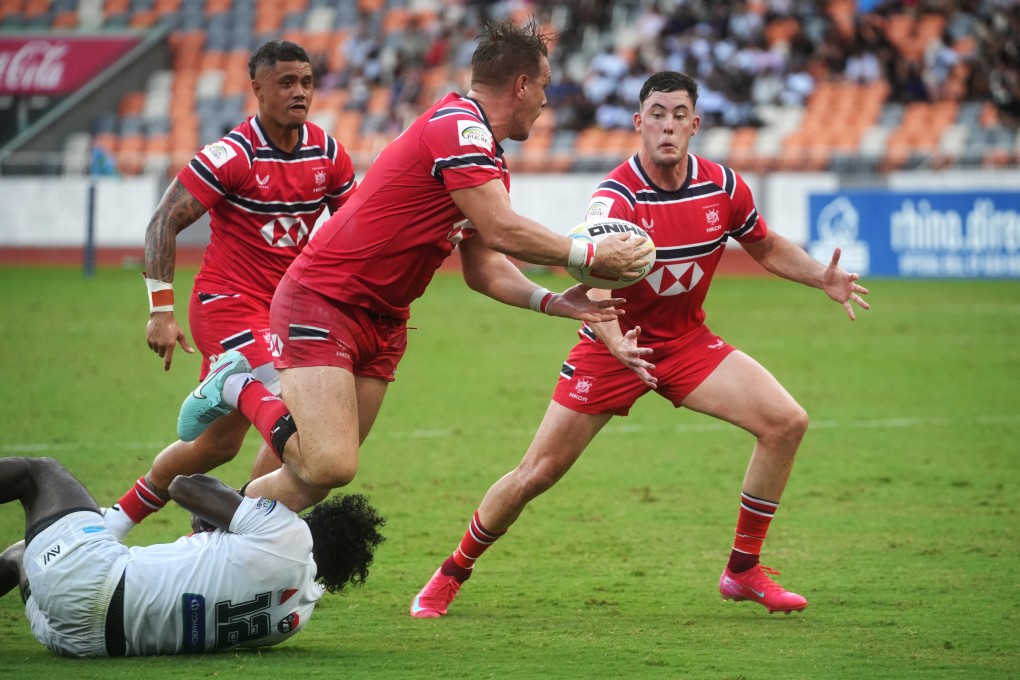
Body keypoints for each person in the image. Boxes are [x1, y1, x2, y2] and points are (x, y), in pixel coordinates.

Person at [409, 71, 871, 618]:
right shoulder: (615, 197)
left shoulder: (723, 187)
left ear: (695, 125)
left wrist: (823, 276)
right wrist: (613, 340)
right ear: (638, 123)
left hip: (685, 344)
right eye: (657, 113)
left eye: (679, 114)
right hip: (610, 347)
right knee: (537, 473)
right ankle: (450, 573)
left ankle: (743, 570)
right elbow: (594, 279)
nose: (667, 125)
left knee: (785, 423)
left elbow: (765, 246)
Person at [173, 18, 654, 513]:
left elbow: (484, 265)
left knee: (307, 479)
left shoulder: (486, 156)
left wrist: (553, 301)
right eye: (545, 87)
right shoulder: (458, 127)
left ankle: (221, 533)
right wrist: (592, 255)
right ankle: (236, 386)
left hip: (383, 321)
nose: (546, 101)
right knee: (331, 464)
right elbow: (501, 229)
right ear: (521, 85)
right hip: (325, 303)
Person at [103, 40, 358, 539]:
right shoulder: (234, 153)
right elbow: (163, 222)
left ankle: (114, 522)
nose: (299, 92)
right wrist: (161, 310)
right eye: (286, 82)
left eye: (306, 82)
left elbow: (355, 231)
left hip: (285, 315)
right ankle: (237, 524)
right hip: (226, 304)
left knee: (216, 448)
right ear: (257, 88)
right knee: (289, 400)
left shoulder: (328, 154)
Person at [0, 456, 385, 657]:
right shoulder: (295, 620)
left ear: (314, 520)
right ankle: (29, 563)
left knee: (38, 473)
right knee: (23, 556)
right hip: (82, 643)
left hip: (91, 582)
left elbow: (183, 486)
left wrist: (233, 502)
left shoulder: (289, 534)